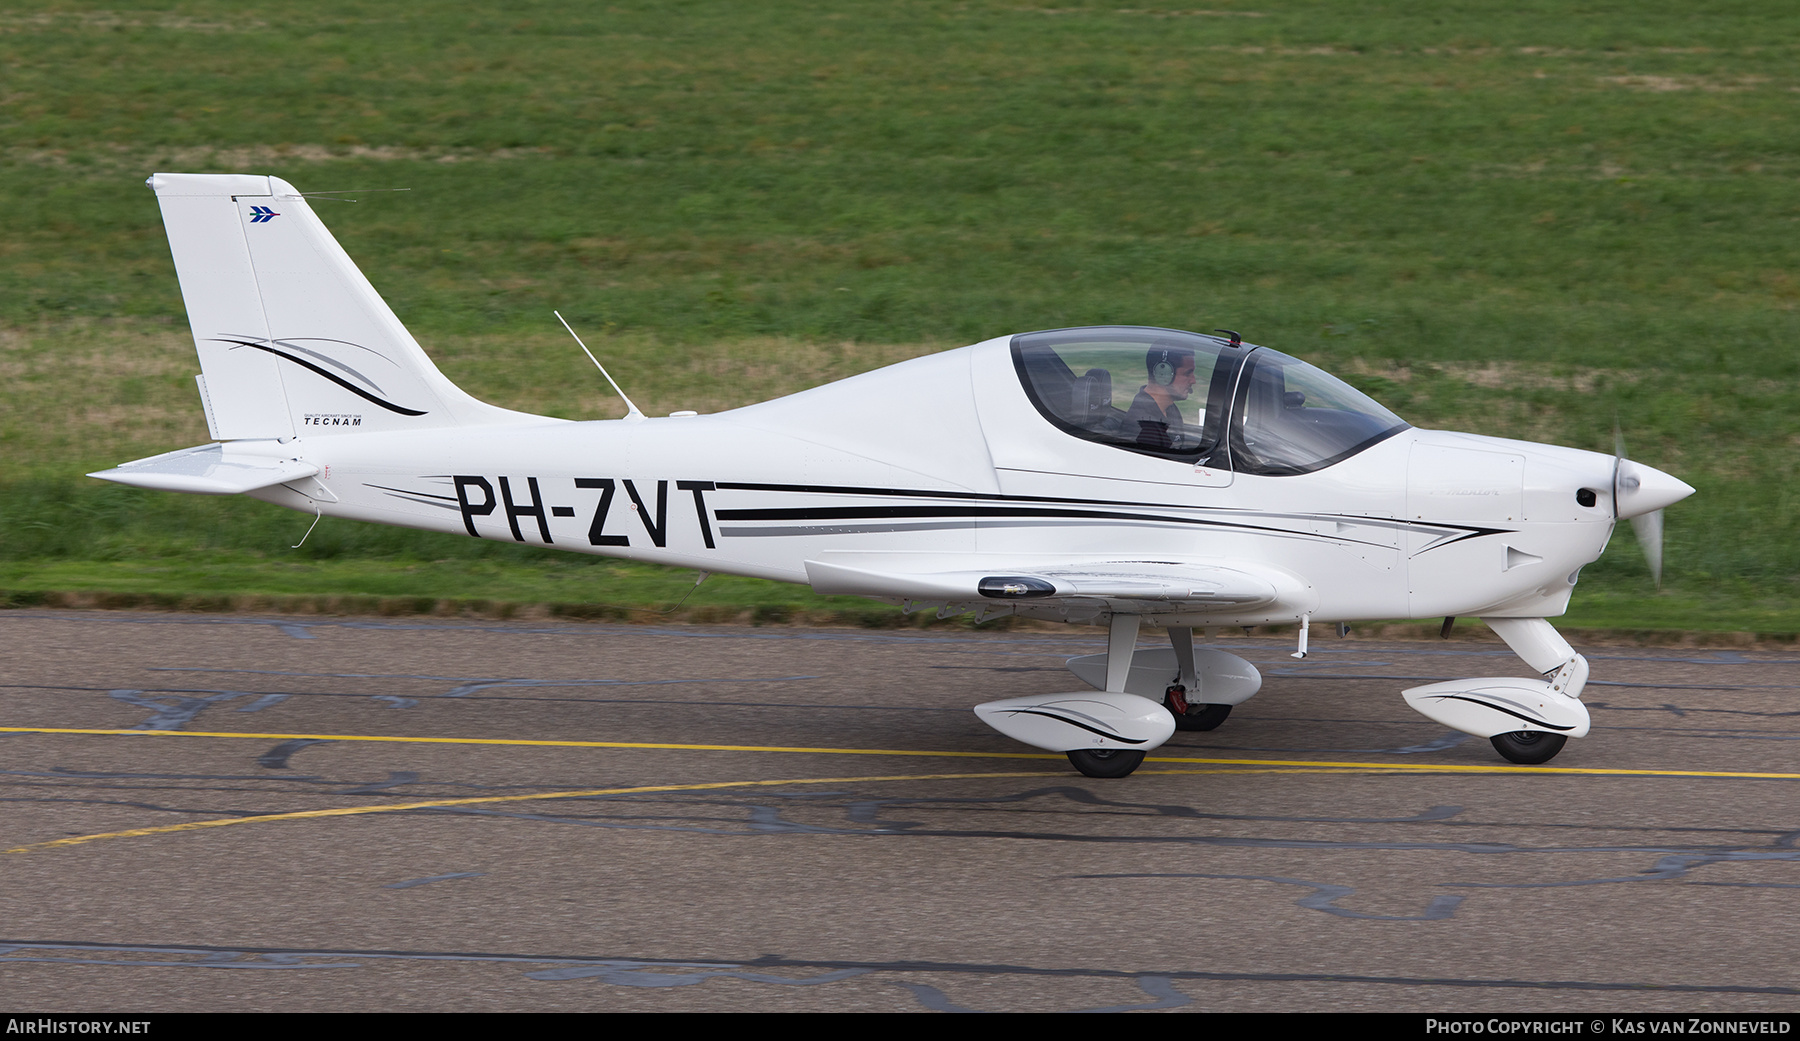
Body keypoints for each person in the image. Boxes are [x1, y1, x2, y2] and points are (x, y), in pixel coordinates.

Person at [1124, 343, 1196, 450]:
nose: (1193, 381)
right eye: (1187, 374)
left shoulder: (1170, 409)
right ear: (1163, 374)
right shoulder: (1146, 430)